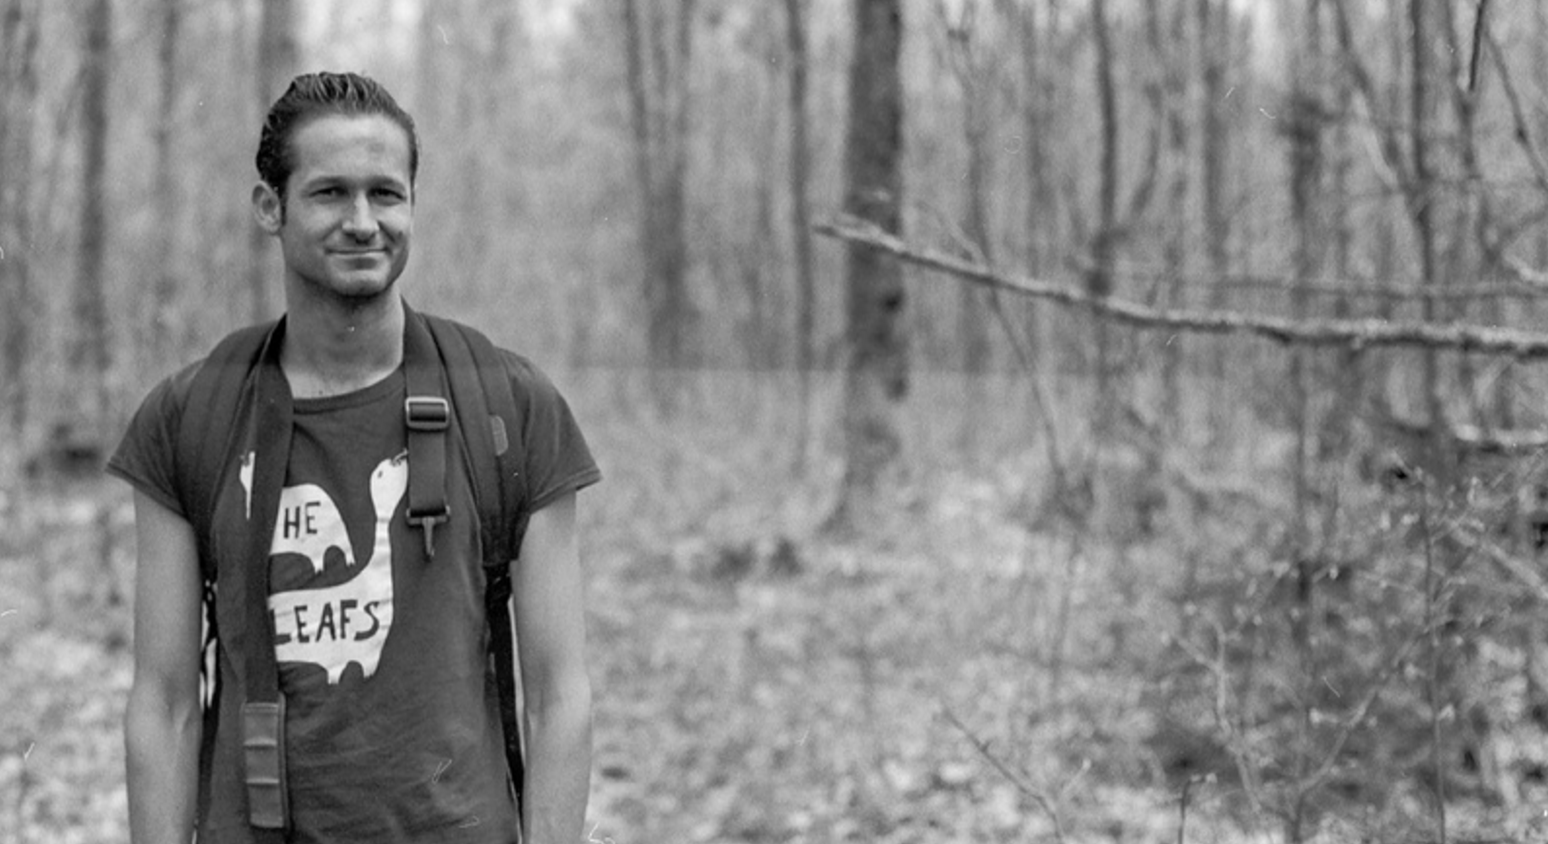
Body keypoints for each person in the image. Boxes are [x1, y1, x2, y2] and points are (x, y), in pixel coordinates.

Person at [108, 71, 599, 844]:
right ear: (270, 207)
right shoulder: (192, 416)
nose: (364, 222)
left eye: (386, 194)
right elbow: (164, 702)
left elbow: (559, 697)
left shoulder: (510, 407)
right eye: (330, 193)